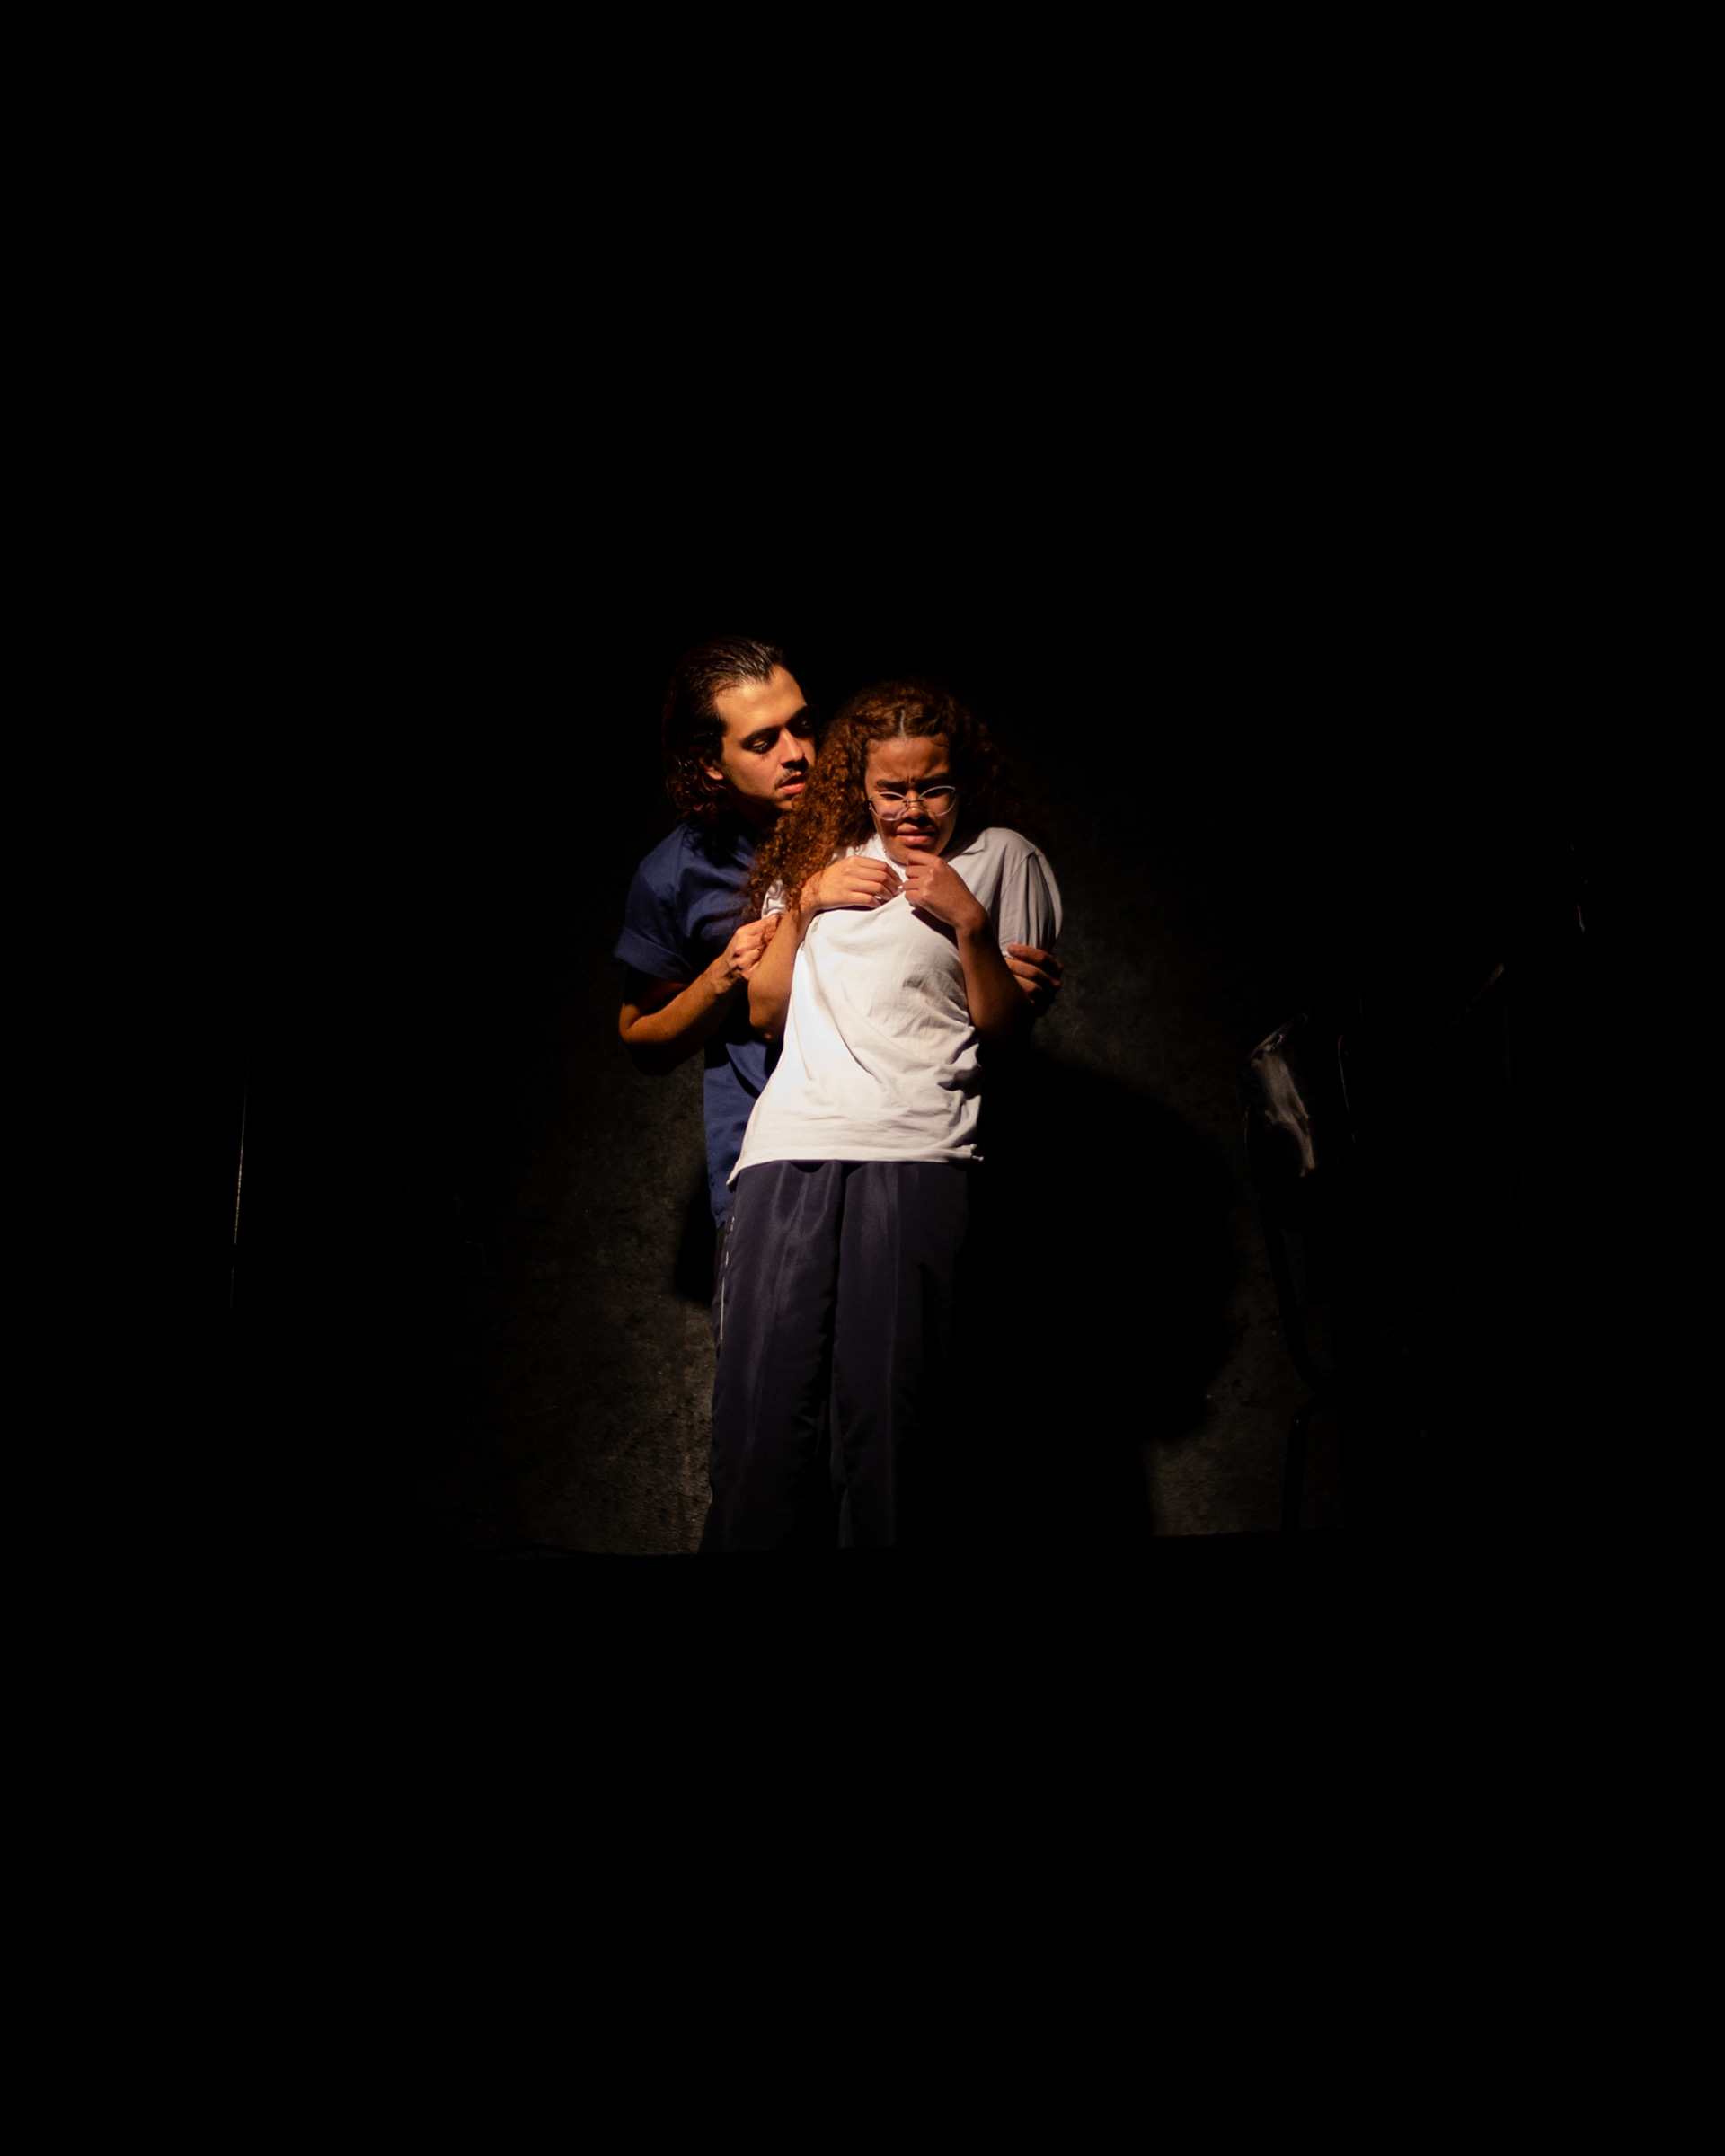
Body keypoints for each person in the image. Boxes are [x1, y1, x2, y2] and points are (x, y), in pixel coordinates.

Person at [701, 679, 1061, 1551]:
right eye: (891, 789)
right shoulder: (820, 857)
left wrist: (969, 923)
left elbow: (1007, 1035)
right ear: (860, 787)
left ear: (962, 780)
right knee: (762, 1422)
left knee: (891, 1425)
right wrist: (808, 900)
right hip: (788, 1146)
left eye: (933, 787)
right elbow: (766, 1013)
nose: (912, 809)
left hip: (919, 1149)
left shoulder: (1004, 859)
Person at [614, 638, 1061, 1339]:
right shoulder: (675, 875)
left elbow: (979, 990)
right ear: (710, 762)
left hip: (909, 1145)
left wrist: (992, 965)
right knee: (777, 1379)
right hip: (767, 1150)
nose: (796, 753)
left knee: (894, 1372)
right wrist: (725, 971)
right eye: (762, 741)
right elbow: (642, 1037)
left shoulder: (884, 819)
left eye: (802, 725)